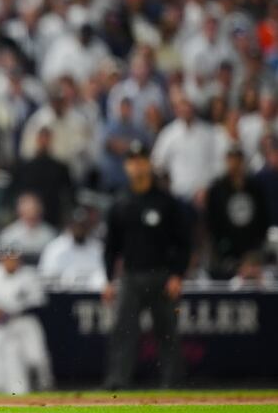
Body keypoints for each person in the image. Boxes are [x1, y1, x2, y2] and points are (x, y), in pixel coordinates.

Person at [103, 141, 190, 390]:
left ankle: (173, 382)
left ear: (149, 164)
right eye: (132, 161)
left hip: (161, 275)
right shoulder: (119, 203)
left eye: (141, 160)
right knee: (123, 331)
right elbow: (111, 247)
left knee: (167, 331)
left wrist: (177, 274)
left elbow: (183, 243)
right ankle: (118, 381)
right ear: (126, 166)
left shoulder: (166, 201)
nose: (137, 166)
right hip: (130, 276)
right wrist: (108, 279)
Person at [0, 241, 53, 394]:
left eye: (13, 257)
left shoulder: (29, 275)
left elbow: (38, 304)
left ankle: (45, 388)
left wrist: (6, 311)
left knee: (36, 358)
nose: (10, 260)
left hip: (23, 321)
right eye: (6, 257)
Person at [205, 144, 268, 279]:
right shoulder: (217, 189)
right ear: (226, 161)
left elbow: (263, 218)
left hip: (251, 252)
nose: (235, 164)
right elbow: (211, 222)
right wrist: (223, 247)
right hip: (225, 253)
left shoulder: (254, 188)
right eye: (231, 159)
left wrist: (255, 246)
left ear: (242, 161)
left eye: (237, 159)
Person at [38, 207, 107, 290]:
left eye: (83, 225)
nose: (79, 229)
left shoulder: (97, 247)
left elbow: (103, 276)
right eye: (76, 225)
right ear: (70, 225)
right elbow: (46, 278)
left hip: (91, 296)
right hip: (62, 297)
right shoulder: (55, 248)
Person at [0, 193, 56, 264]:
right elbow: (3, 258)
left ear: (40, 210)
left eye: (34, 208)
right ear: (20, 211)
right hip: (19, 273)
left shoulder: (50, 233)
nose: (31, 213)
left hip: (42, 271)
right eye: (27, 209)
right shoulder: (9, 233)